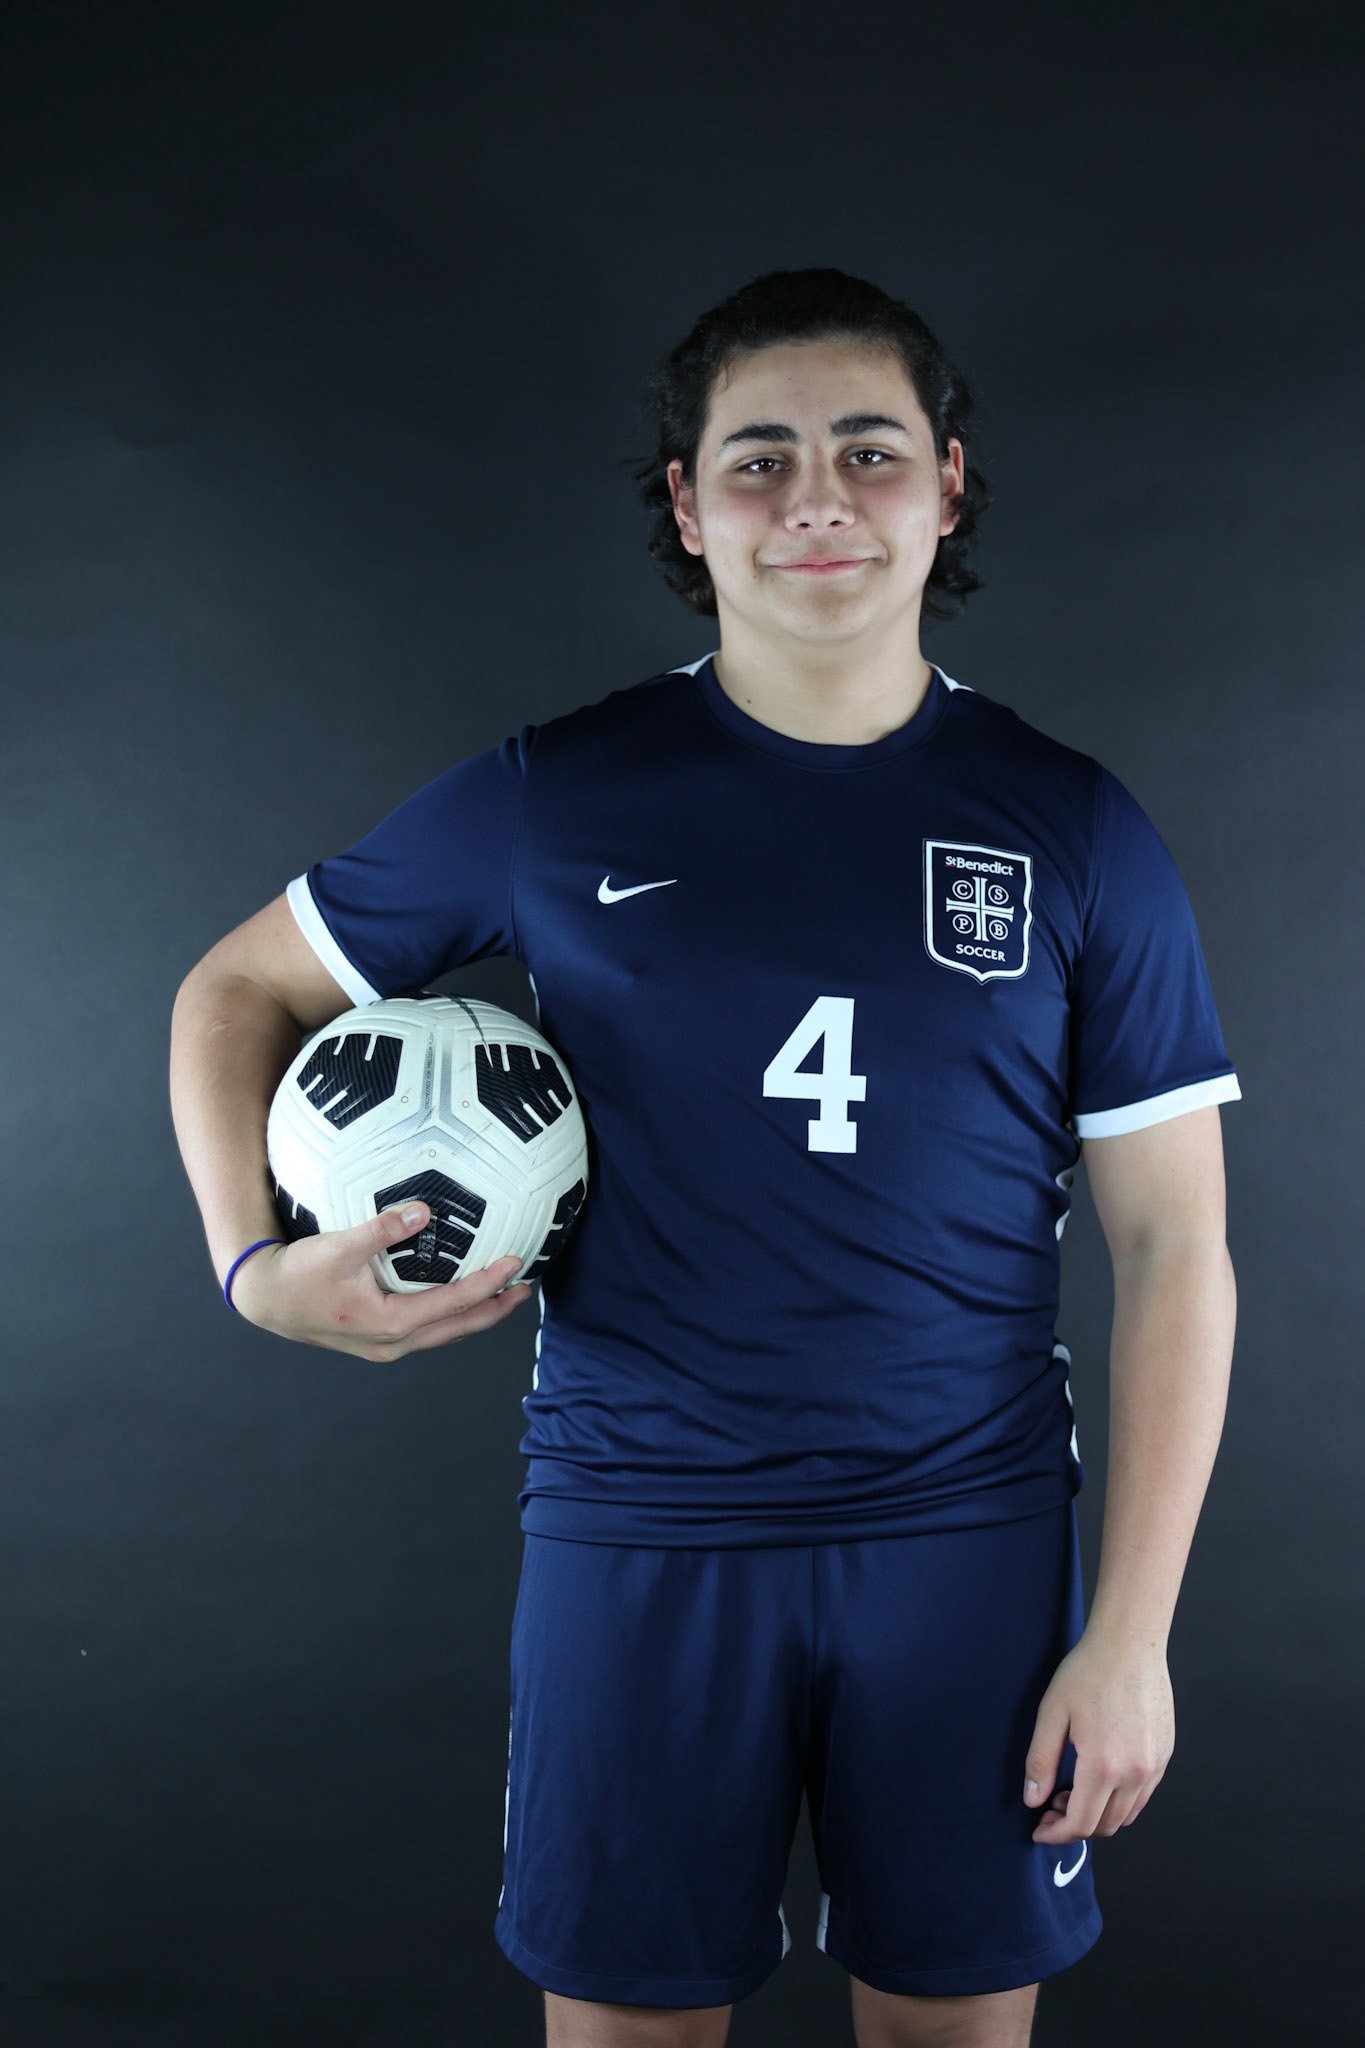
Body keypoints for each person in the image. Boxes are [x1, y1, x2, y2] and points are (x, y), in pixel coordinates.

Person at [169, 267, 1241, 2048]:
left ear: (947, 482)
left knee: (948, 2032)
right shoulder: (560, 793)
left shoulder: (1072, 828)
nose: (814, 495)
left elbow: (1177, 1250)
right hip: (638, 1525)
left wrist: (1129, 1637)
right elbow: (237, 990)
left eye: (867, 448)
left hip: (965, 1544)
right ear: (682, 502)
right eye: (754, 459)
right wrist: (254, 1269)